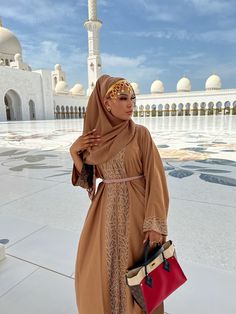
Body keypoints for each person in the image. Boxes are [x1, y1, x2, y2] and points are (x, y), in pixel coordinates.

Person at [70, 74, 169, 314]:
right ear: (106, 104)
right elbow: (88, 182)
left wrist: (155, 222)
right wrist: (75, 152)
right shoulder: (95, 140)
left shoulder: (140, 134)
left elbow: (156, 179)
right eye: (123, 98)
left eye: (132, 99)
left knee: (138, 268)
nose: (130, 104)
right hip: (104, 211)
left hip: (137, 210)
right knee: (102, 267)